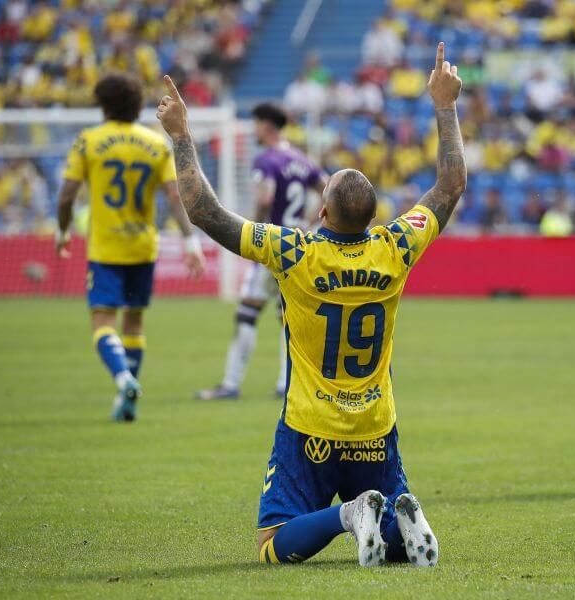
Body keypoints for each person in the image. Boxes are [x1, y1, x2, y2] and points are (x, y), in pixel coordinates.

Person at [157, 42, 465, 566]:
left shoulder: (294, 252)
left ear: (322, 211)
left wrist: (182, 137)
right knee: (388, 533)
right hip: (375, 426)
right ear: (372, 215)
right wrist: (445, 105)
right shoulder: (396, 247)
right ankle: (396, 522)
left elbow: (204, 211)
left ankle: (352, 514)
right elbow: (451, 185)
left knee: (272, 544)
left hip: (310, 429)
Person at [55, 72, 205, 422]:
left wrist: (62, 231)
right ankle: (129, 402)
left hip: (106, 250)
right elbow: (175, 196)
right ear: (138, 105)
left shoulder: (88, 141)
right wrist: (190, 240)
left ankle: (123, 379)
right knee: (134, 324)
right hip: (143, 246)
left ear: (102, 104)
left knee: (102, 322)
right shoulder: (154, 144)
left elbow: (66, 196)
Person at [196, 103, 328, 401]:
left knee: (247, 314)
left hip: (272, 246)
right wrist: (309, 224)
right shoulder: (302, 160)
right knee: (289, 318)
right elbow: (329, 190)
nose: (254, 130)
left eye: (256, 124)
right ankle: (286, 383)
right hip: (300, 249)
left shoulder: (267, 160)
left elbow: (266, 196)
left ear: (266, 125)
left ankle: (231, 384)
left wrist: (252, 231)